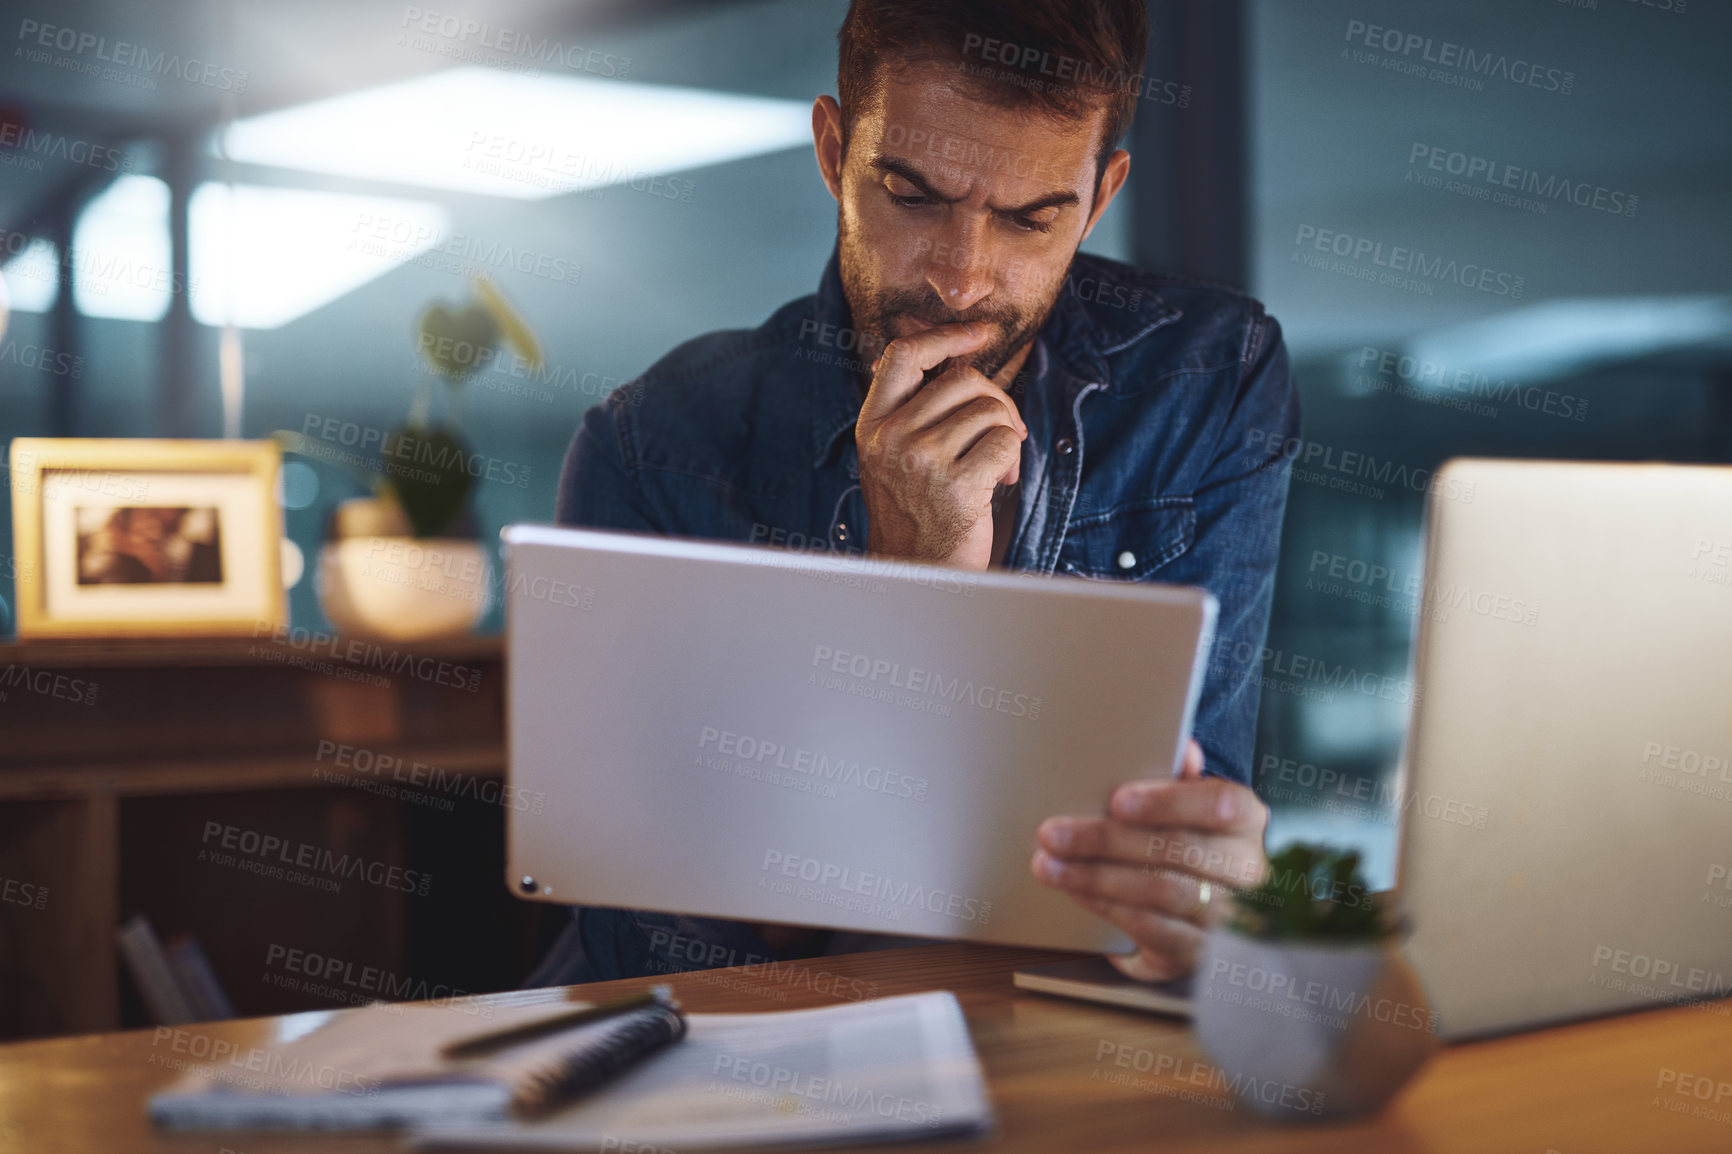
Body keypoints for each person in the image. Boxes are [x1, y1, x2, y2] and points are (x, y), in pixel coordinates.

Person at [537, 0, 1298, 987]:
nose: (960, 280)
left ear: (1101, 194)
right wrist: (907, 591)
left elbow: (1191, 847)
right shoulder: (654, 447)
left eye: (1031, 217)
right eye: (913, 194)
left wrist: (1209, 882)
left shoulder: (1211, 376)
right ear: (832, 150)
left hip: (1074, 1047)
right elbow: (662, 944)